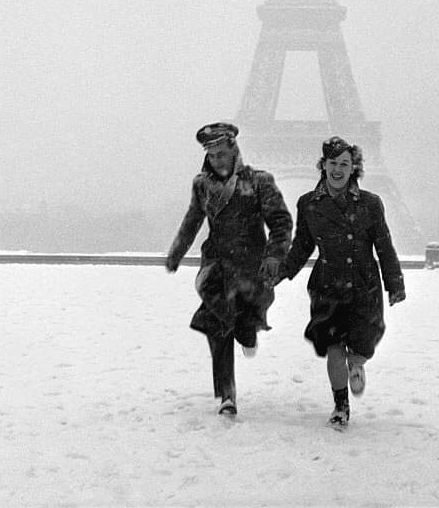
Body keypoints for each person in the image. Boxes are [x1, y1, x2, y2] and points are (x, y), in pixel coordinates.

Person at [278, 136, 405, 428]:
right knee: (334, 347)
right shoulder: (309, 204)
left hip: (364, 285)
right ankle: (340, 405)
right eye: (333, 163)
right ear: (323, 166)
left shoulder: (371, 204)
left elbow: (383, 245)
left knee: (363, 344)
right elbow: (302, 246)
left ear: (353, 168)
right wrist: (280, 272)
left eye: (344, 164)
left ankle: (357, 363)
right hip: (328, 285)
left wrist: (394, 283)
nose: (338, 170)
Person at [165, 121, 292, 416]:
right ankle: (227, 393)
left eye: (222, 154)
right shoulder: (202, 185)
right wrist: (176, 253)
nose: (218, 161)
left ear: (235, 151)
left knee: (242, 322)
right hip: (218, 267)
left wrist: (275, 256)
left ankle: (248, 329)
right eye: (212, 156)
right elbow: (193, 220)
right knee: (218, 323)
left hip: (251, 267)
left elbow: (281, 222)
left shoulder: (259, 182)